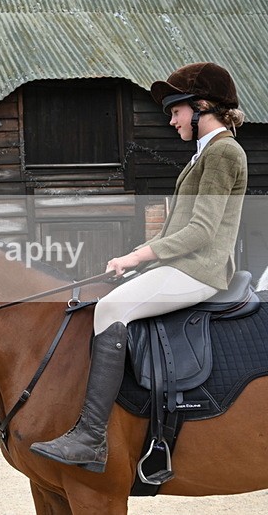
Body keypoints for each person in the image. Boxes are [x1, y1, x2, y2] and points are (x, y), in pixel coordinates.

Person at [30, 62, 247, 472]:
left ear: (202, 106)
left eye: (176, 111)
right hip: (181, 265)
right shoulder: (204, 154)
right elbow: (173, 229)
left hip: (199, 270)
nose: (172, 120)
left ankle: (92, 438)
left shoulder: (223, 152)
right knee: (107, 296)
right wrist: (131, 257)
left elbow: (201, 231)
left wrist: (138, 258)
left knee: (111, 310)